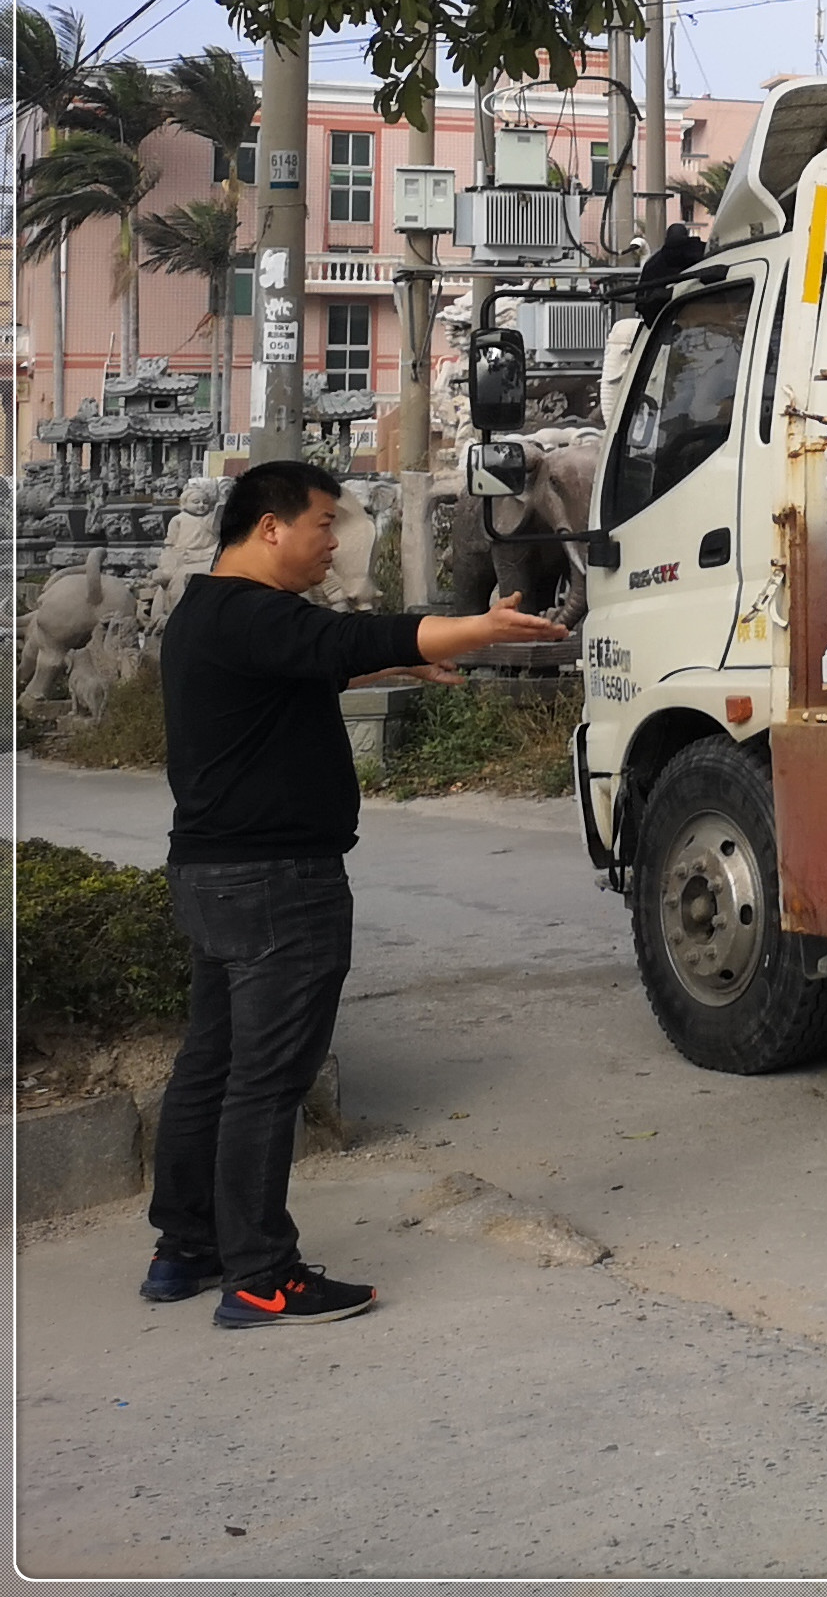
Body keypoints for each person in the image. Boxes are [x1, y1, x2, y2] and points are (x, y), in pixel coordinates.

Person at [143, 459, 569, 1325]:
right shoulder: (257, 614)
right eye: (322, 524)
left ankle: (186, 1246)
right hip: (276, 884)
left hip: (212, 876)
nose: (331, 542)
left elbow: (309, 670)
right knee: (265, 1080)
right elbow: (340, 644)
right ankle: (261, 1274)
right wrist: (477, 629)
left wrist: (396, 672)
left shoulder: (207, 613)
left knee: (210, 1068)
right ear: (270, 528)